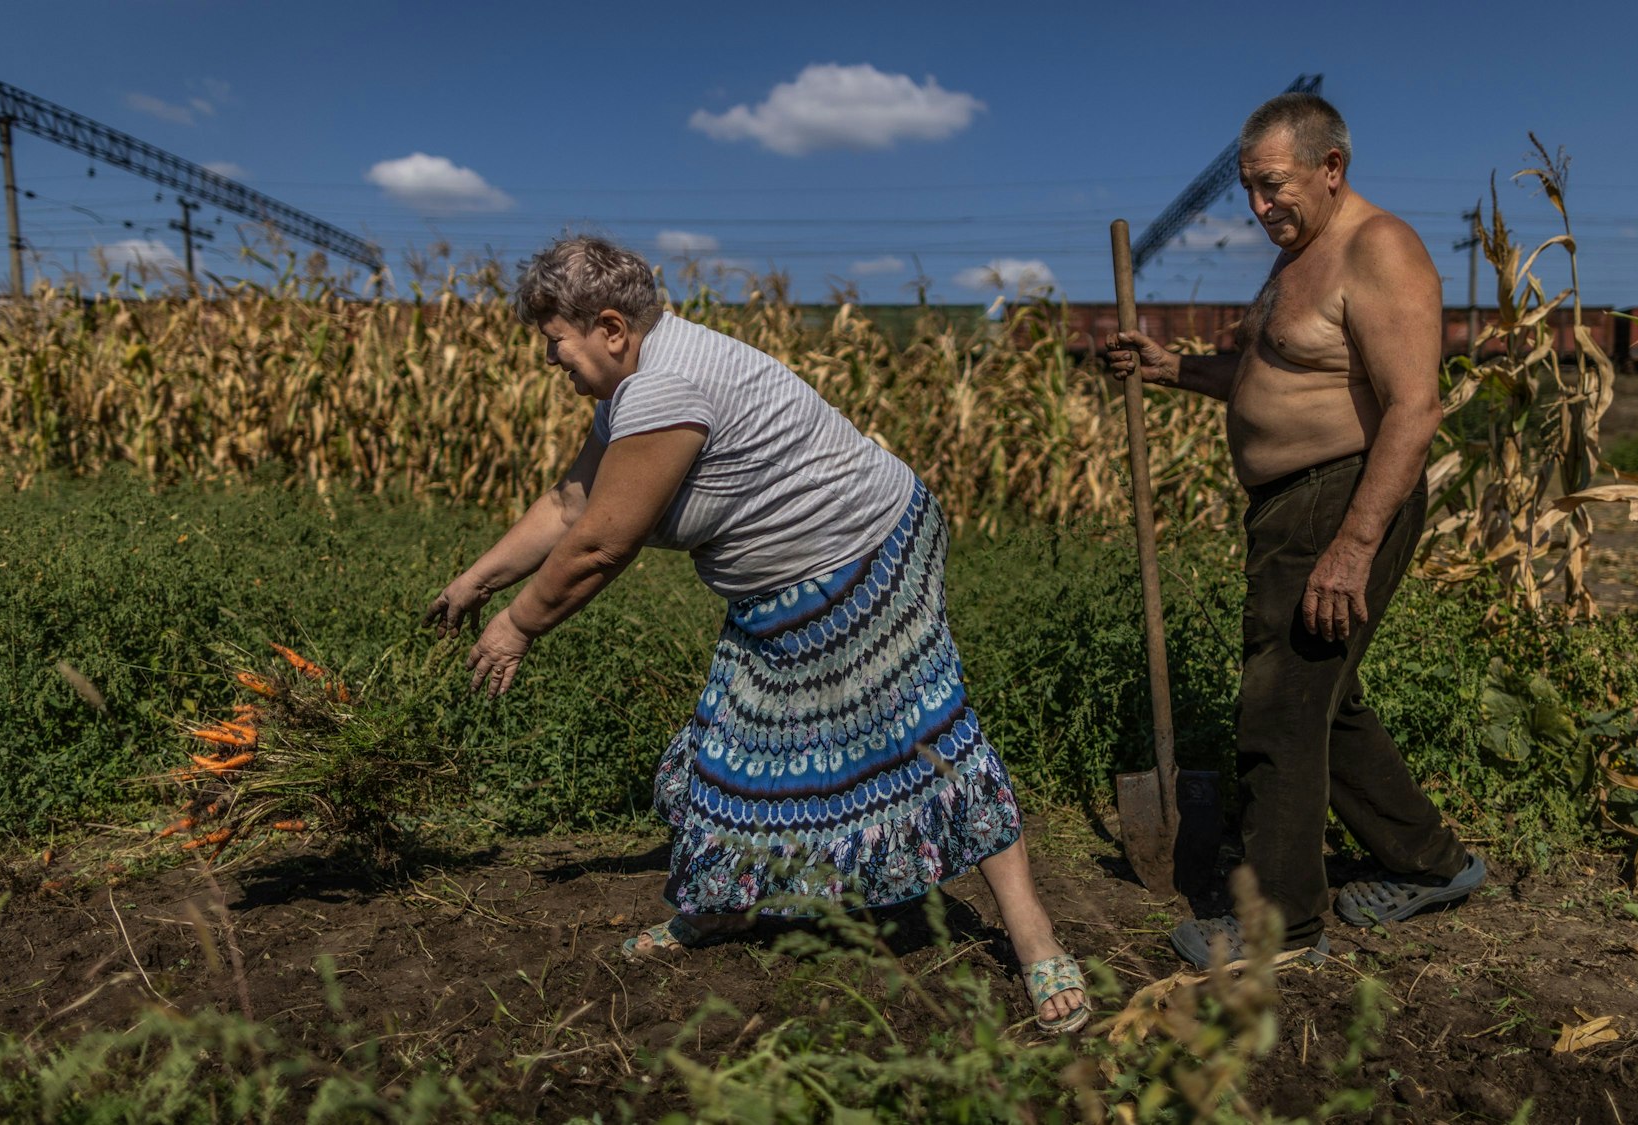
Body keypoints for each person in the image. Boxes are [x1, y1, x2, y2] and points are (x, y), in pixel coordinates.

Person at [425, 236, 1089, 1033]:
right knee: (735, 743)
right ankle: (723, 904)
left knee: (927, 732)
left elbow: (602, 544)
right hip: (776, 594)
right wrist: (478, 577)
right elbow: (572, 503)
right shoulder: (631, 387)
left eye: (554, 344)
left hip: (865, 554)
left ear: (608, 327)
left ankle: (1032, 932)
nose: (550, 361)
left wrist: (516, 626)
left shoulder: (666, 384)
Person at [1107, 93, 1485, 972]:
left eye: (1272, 186)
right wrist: (1178, 370)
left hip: (1339, 498)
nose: (1259, 206)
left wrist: (1352, 546)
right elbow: (1275, 371)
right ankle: (1433, 863)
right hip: (1292, 504)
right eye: (1248, 189)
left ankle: (1283, 925)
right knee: (1323, 696)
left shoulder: (1378, 248)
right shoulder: (1302, 257)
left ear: (1331, 168)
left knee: (1279, 705)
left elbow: (1414, 409)